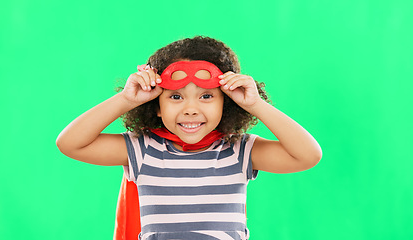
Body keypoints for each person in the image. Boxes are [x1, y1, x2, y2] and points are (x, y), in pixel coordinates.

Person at [56, 36, 322, 240]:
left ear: (226, 102)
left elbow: (307, 155)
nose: (191, 108)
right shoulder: (142, 149)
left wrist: (255, 105)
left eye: (206, 96)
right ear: (156, 105)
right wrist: (126, 99)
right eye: (175, 96)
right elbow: (70, 143)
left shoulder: (239, 151)